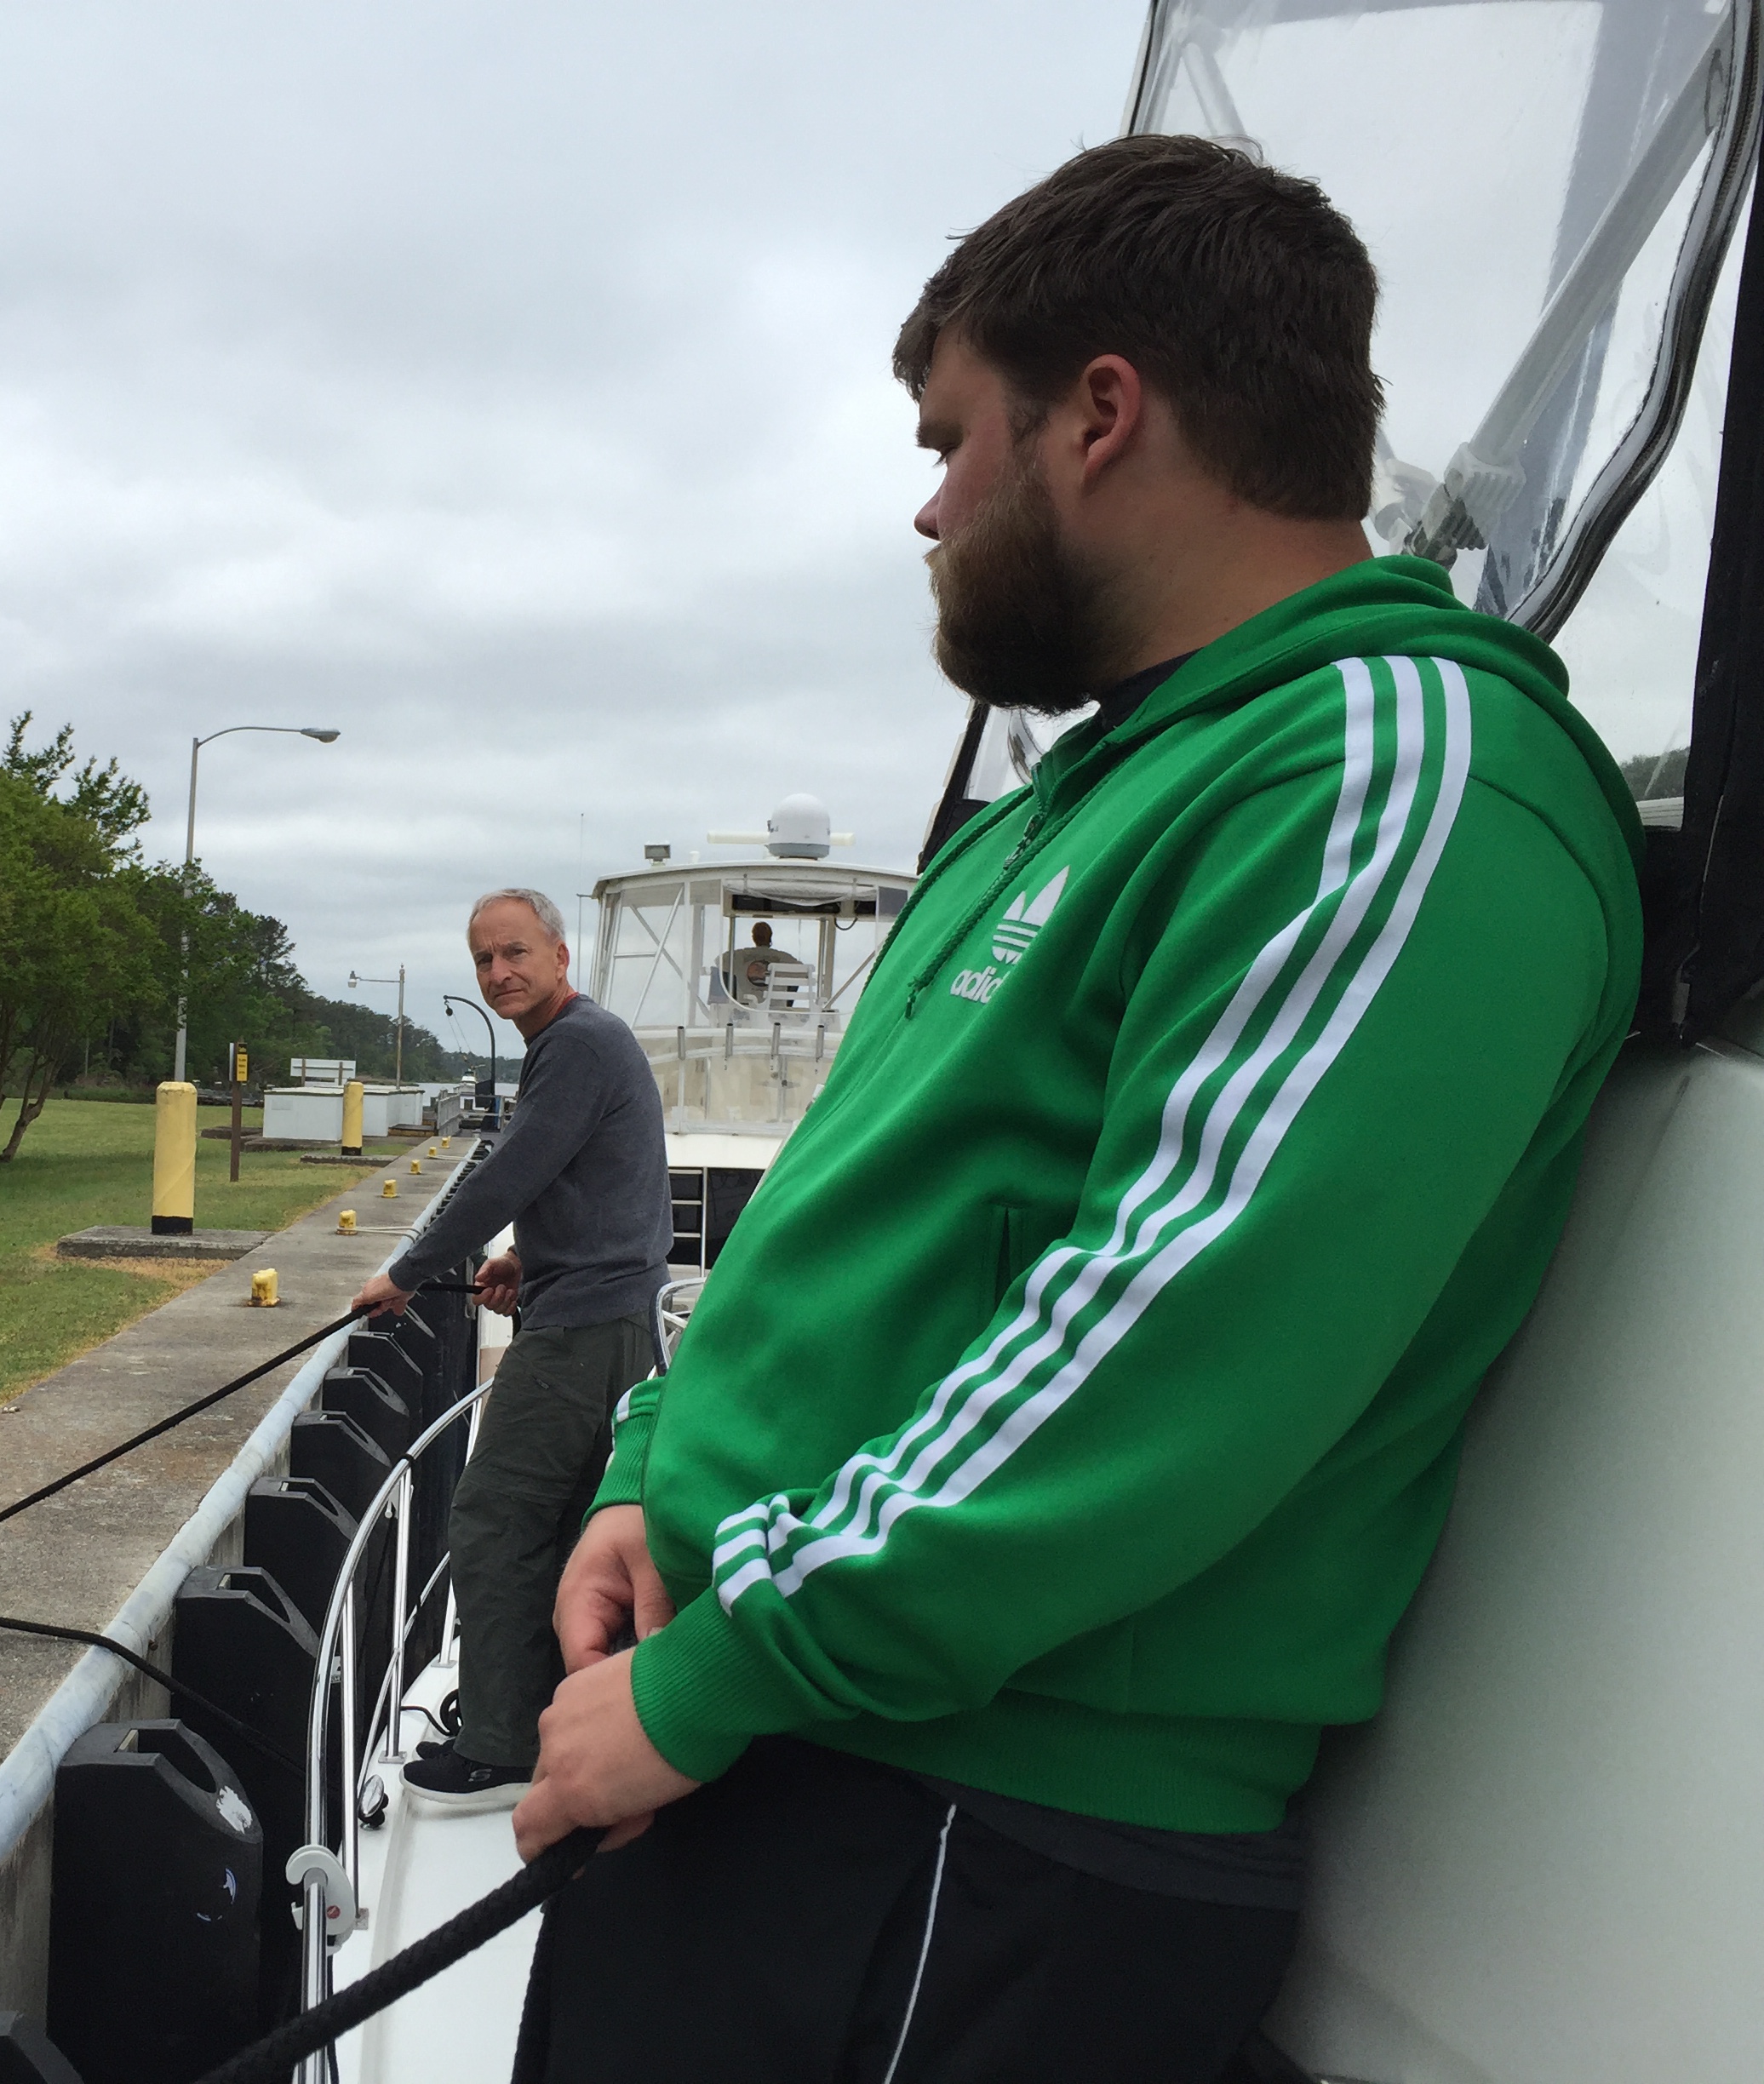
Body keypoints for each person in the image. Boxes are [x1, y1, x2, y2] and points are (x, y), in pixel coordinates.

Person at [510, 135, 1642, 2081]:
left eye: (955, 440)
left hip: (975, 1827)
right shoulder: (1065, 798)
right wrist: (647, 1468)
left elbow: (1175, 1328)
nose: (931, 506)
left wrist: (727, 1668)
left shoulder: (1392, 767)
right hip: (771, 1731)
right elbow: (842, 1215)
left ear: (1100, 415)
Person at [355, 888, 672, 1811]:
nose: (499, 973)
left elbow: (509, 1174)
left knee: (494, 1518)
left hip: (582, 1334)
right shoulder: (584, 1042)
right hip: (615, 1320)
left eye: (515, 953)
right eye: (485, 960)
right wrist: (528, 1261)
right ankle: (547, 1720)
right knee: (563, 1528)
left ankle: (498, 1749)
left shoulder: (575, 1044)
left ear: (560, 956)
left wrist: (408, 1271)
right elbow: (607, 1182)